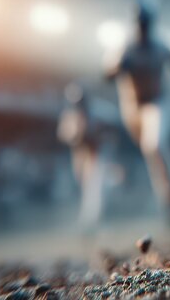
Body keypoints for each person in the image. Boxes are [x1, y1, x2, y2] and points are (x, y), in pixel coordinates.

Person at [105, 0, 170, 221]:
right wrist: (118, 66)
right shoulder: (125, 47)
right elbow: (107, 74)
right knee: (154, 151)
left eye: (146, 21)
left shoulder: (161, 45)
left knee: (155, 145)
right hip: (131, 109)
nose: (143, 26)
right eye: (140, 22)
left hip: (157, 105)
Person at [57, 83, 103, 230]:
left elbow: (107, 134)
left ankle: (91, 221)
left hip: (97, 153)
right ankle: (86, 220)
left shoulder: (97, 111)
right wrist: (76, 136)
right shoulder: (69, 115)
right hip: (79, 153)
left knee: (94, 186)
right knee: (82, 183)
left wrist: (91, 135)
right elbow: (63, 135)